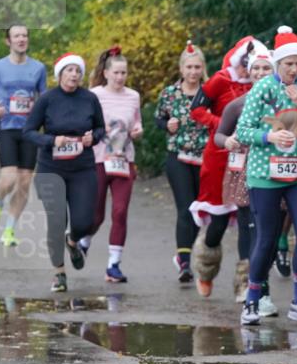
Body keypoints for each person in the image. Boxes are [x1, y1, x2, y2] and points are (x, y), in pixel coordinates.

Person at [233, 25, 297, 326]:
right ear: (277, 64)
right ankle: (252, 301)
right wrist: (270, 137)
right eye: (289, 64)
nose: (295, 69)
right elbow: (243, 132)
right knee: (267, 239)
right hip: (265, 174)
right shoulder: (261, 89)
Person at [24, 53, 105, 292]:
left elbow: (100, 127)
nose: (74, 75)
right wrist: (51, 140)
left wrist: (94, 137)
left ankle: (72, 241)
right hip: (52, 169)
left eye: (78, 71)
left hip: (82, 168)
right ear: (60, 74)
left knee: (85, 221)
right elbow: (28, 131)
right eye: (69, 70)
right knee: (56, 221)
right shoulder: (47, 99)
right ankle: (59, 273)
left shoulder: (89, 98)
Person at [188, 36, 258, 297]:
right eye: (245, 59)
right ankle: (205, 267)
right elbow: (196, 109)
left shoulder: (261, 83)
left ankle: (244, 283)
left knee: (246, 219)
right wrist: (221, 124)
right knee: (217, 221)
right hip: (219, 156)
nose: (248, 66)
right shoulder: (221, 79)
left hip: (251, 158)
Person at [214, 46, 278, 312]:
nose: (261, 73)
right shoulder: (237, 105)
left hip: (274, 173)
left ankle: (261, 283)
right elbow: (219, 134)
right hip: (243, 173)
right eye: (257, 69)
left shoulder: (281, 102)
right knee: (247, 226)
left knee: (270, 229)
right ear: (249, 73)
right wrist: (227, 140)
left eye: (266, 68)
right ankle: (248, 284)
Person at [0, 25, 47, 247]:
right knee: (8, 179)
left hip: (29, 130)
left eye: (25, 35)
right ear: (8, 41)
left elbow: (44, 99)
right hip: (6, 127)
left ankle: (9, 230)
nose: (21, 39)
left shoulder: (38, 68)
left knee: (25, 183)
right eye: (17, 36)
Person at [84, 46, 142, 283]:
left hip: (123, 159)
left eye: (124, 73)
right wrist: (96, 131)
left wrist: (138, 131)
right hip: (98, 159)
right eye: (116, 73)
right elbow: (84, 124)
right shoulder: (94, 95)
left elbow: (137, 123)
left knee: (120, 211)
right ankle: (83, 242)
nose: (120, 77)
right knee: (95, 215)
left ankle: (113, 265)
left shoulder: (133, 96)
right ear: (106, 73)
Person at [156, 41, 211, 283]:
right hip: (178, 155)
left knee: (199, 210)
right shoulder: (170, 93)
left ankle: (187, 253)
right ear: (181, 68)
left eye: (197, 67)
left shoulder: (209, 92)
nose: (193, 72)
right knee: (184, 208)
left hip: (204, 157)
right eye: (189, 67)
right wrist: (167, 125)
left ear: (203, 68)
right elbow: (159, 119)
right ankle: (185, 262)